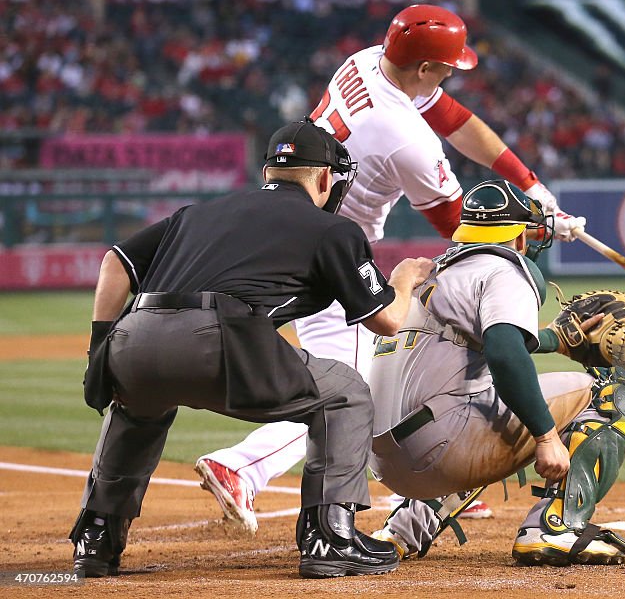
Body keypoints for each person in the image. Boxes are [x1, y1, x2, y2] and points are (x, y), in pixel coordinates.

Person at [193, 3, 587, 534]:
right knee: (346, 391)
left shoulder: (367, 61)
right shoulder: (404, 135)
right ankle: (240, 465)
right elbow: (463, 227)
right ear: (424, 68)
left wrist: (531, 183)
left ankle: (435, 488)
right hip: (327, 253)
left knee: (351, 380)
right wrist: (537, 223)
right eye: (447, 66)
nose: (452, 73)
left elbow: (453, 118)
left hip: (289, 227)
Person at [70, 120, 434, 579]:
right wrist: (403, 278)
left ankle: (97, 537)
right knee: (345, 393)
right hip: (219, 337)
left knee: (138, 409)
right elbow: (386, 319)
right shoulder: (332, 229)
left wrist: (101, 348)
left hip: (135, 333)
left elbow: (115, 263)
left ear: (268, 172)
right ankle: (329, 537)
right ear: (325, 178)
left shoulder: (196, 213)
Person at [368, 180, 625, 566]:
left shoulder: (437, 270)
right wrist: (545, 436)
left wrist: (553, 339)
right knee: (609, 393)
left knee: (476, 397)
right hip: (440, 451)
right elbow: (505, 353)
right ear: (517, 237)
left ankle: (403, 530)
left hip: (384, 460)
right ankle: (555, 528)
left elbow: (490, 340)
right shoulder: (504, 270)